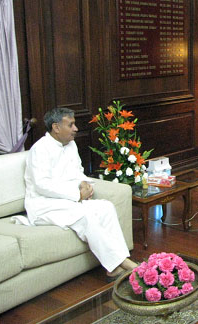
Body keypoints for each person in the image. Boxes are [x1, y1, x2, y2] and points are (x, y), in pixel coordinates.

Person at [24, 107, 138, 280]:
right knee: (86, 216)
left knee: (106, 207)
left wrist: (85, 184)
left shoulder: (70, 144)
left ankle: (115, 267)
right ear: (56, 127)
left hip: (67, 201)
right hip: (44, 204)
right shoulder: (39, 149)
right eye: (71, 125)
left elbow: (77, 171)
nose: (76, 129)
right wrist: (77, 195)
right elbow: (42, 185)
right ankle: (126, 264)